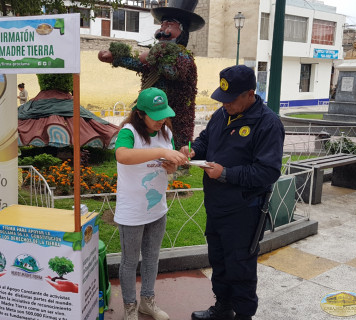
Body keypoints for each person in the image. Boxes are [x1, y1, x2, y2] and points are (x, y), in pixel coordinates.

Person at [180, 65, 285, 320]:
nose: (225, 103)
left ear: (250, 94)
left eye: (231, 99)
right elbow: (206, 140)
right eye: (223, 98)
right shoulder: (222, 115)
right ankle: (223, 307)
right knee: (219, 259)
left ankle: (244, 314)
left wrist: (226, 173)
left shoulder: (268, 124)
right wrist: (193, 150)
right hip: (217, 205)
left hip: (244, 210)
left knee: (241, 266)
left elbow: (268, 171)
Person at [115, 87, 188, 320]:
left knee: (151, 257)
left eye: (164, 114)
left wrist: (172, 167)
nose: (162, 120)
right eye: (155, 116)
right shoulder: (129, 132)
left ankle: (147, 301)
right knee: (129, 261)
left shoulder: (166, 132)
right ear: (140, 114)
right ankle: (129, 306)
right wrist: (158, 152)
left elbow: (169, 169)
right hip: (132, 211)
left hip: (157, 208)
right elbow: (122, 156)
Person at [98, 0, 205, 149]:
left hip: (176, 116)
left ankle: (178, 167)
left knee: (176, 146)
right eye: (162, 25)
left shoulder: (183, 57)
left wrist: (154, 55)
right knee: (150, 143)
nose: (162, 31)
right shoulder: (158, 56)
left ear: (182, 31)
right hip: (152, 112)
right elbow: (141, 64)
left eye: (169, 26)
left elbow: (172, 73)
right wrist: (115, 58)